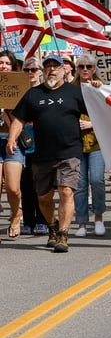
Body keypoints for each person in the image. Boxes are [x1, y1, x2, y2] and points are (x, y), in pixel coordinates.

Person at [5, 54, 88, 253]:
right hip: (42, 155)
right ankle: (52, 226)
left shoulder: (75, 93)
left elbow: (98, 112)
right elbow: (18, 120)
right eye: (48, 66)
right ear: (44, 70)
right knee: (44, 198)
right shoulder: (33, 94)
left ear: (63, 70)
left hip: (70, 152)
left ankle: (63, 235)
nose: (51, 69)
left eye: (56, 66)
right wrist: (11, 138)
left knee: (66, 191)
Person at [73, 57, 107, 238]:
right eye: (81, 66)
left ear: (94, 69)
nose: (85, 69)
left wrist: (91, 124)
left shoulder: (100, 88)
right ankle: (82, 223)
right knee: (79, 185)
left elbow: (109, 114)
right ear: (77, 69)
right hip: (75, 143)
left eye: (89, 66)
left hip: (97, 143)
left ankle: (99, 218)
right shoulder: (70, 89)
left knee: (97, 179)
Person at [18, 57, 48, 236]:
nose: (30, 73)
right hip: (23, 145)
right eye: (27, 70)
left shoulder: (45, 91)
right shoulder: (19, 92)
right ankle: (28, 221)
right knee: (25, 185)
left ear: (40, 72)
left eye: (34, 69)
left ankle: (42, 220)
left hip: (42, 145)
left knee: (41, 185)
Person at [0, 50, 24, 240]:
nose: (3, 66)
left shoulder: (19, 89)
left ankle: (16, 214)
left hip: (12, 141)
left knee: (13, 188)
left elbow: (25, 119)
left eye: (7, 64)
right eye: (1, 63)